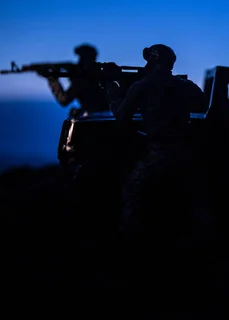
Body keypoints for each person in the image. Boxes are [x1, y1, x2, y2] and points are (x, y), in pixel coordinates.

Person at [106, 44, 208, 241]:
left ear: (153, 61)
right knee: (193, 199)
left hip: (158, 152)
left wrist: (112, 89)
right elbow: (202, 104)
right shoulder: (185, 86)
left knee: (132, 192)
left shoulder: (142, 86)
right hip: (185, 153)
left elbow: (121, 116)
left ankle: (130, 242)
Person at [45, 44, 109, 116]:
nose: (78, 63)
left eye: (81, 59)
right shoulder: (100, 76)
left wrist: (52, 79)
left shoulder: (83, 79)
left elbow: (64, 100)